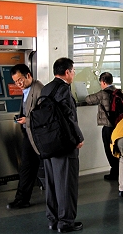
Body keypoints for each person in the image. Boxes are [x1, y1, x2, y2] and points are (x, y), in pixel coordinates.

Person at [41, 57, 85, 233]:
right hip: (64, 143)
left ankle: (53, 219)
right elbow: (69, 117)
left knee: (51, 183)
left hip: (47, 143)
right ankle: (66, 221)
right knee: (66, 182)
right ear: (67, 72)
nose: (73, 74)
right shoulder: (63, 89)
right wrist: (78, 138)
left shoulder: (46, 88)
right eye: (73, 71)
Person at [7, 64, 44, 209]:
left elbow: (45, 115)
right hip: (29, 135)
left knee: (32, 167)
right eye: (15, 82)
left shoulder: (39, 89)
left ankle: (23, 198)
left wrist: (27, 120)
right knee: (27, 168)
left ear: (28, 75)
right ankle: (22, 199)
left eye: (20, 80)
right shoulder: (27, 89)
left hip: (37, 136)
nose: (18, 84)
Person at [85, 72, 119, 181]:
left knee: (109, 149)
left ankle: (114, 171)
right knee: (117, 148)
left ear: (103, 82)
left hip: (108, 126)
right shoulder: (118, 92)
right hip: (118, 126)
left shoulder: (102, 94)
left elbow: (88, 99)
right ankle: (120, 170)